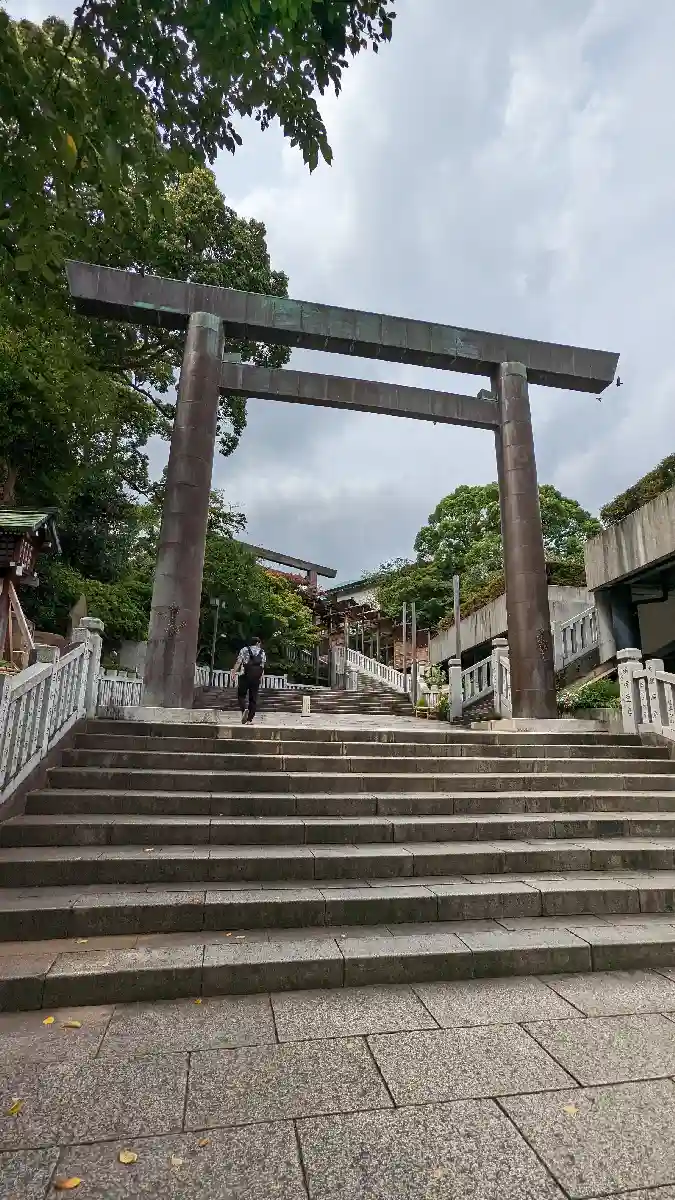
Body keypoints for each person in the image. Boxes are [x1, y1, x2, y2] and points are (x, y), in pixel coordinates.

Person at [231, 637, 266, 724]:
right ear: (257, 643)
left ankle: (244, 710)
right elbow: (262, 666)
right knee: (253, 698)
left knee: (241, 695)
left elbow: (239, 662)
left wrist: (233, 672)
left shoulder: (244, 649)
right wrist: (261, 678)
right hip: (256, 677)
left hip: (245, 675)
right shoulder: (262, 652)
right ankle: (249, 719)